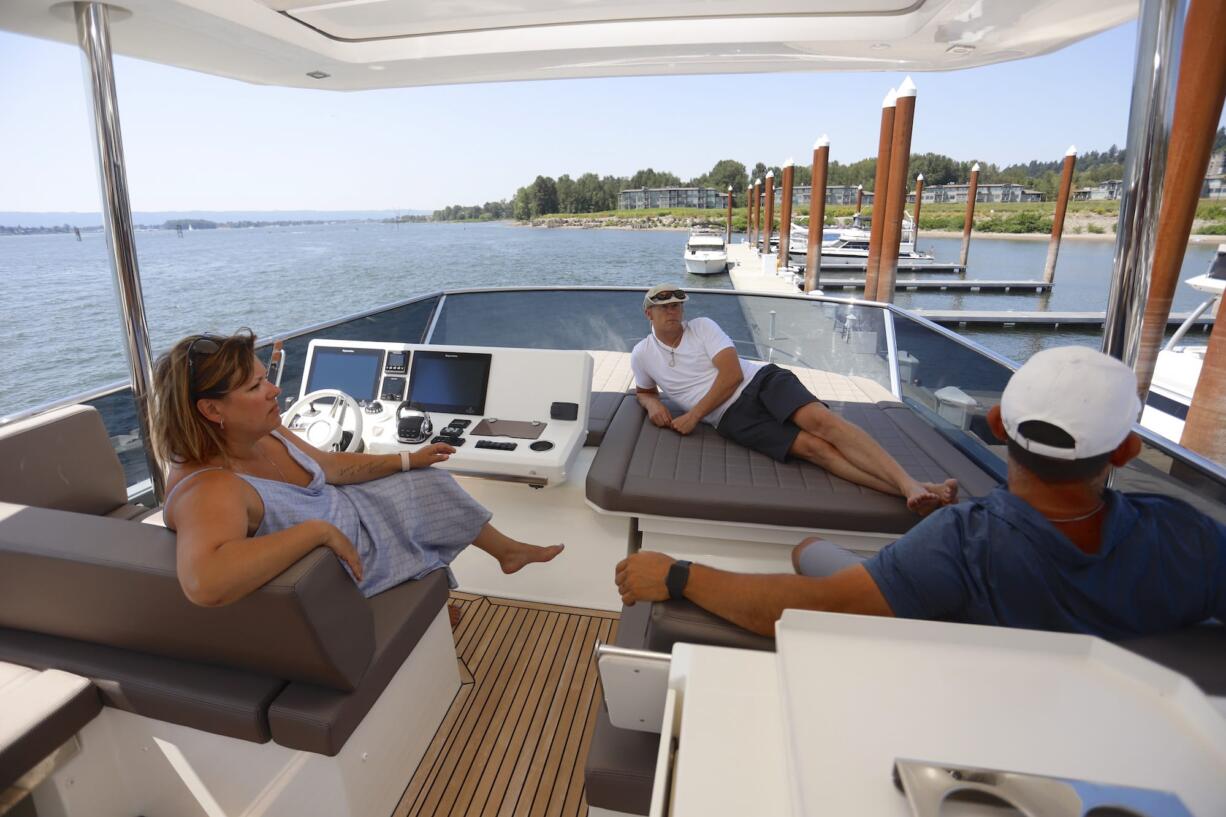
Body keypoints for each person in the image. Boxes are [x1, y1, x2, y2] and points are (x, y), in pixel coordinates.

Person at [615, 346, 1226, 640]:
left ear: (995, 428)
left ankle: (871, 571)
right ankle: (866, 568)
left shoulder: (964, 545)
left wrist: (676, 576)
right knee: (810, 549)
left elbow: (814, 614)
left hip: (935, 636)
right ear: (1124, 452)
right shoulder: (1189, 537)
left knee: (813, 559)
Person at [152, 330, 562, 610]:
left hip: (347, 514)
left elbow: (329, 466)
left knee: (427, 479)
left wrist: (408, 459)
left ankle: (507, 553)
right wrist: (317, 531)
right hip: (342, 564)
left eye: (266, 378)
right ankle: (425, 605)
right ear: (211, 409)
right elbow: (204, 582)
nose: (275, 390)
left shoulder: (265, 430)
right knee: (416, 512)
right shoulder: (210, 489)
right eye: (256, 387)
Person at [631, 285, 957, 514]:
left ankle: (909, 482)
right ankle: (914, 491)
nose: (673, 312)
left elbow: (730, 375)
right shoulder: (643, 354)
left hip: (758, 381)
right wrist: (654, 404)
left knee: (822, 422)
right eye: (664, 307)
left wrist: (692, 416)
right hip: (731, 419)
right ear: (649, 313)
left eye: (677, 305)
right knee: (815, 450)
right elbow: (644, 391)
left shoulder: (702, 327)